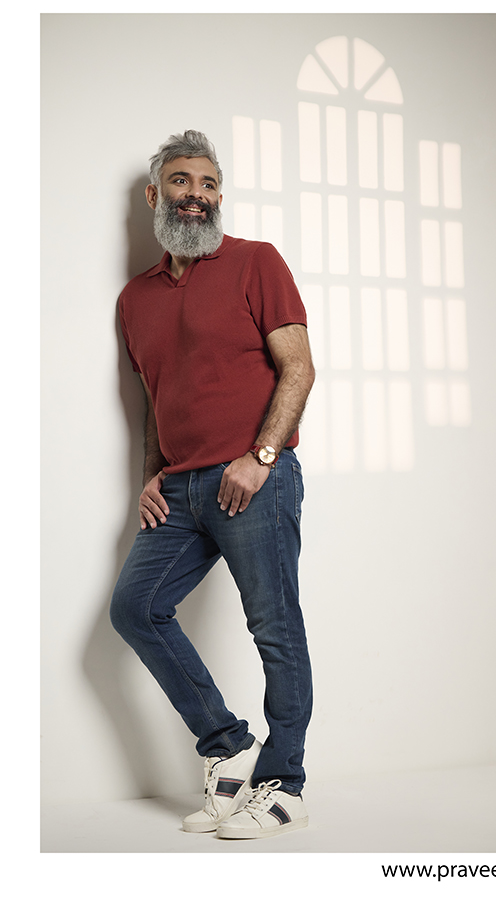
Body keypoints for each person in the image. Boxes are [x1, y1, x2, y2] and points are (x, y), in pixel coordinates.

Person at [110, 130, 315, 840]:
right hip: (179, 492)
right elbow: (153, 399)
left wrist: (261, 455)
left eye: (208, 184)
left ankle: (285, 785)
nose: (196, 194)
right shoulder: (134, 299)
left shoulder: (256, 261)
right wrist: (149, 477)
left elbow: (298, 367)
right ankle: (228, 745)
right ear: (155, 194)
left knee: (275, 629)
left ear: (219, 195)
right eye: (181, 181)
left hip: (254, 481)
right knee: (136, 609)